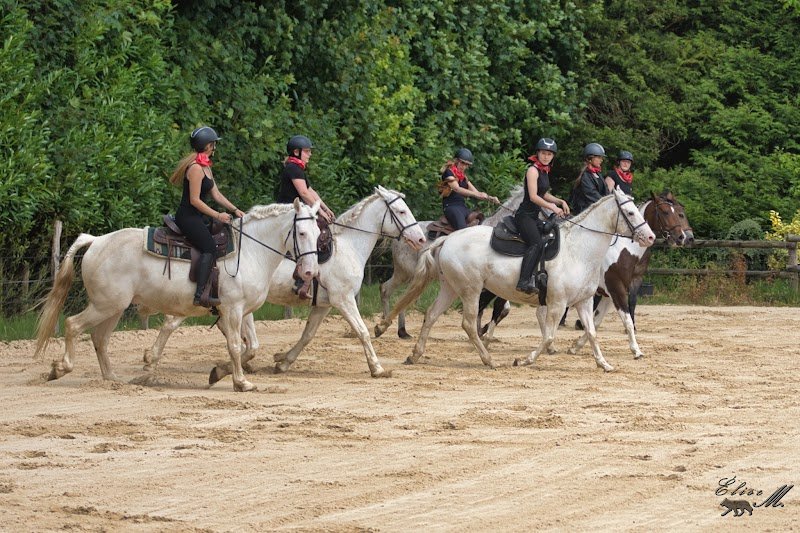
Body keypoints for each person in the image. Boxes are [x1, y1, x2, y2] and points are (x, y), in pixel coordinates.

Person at [169, 126, 245, 308]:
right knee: (209, 247)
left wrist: (235, 210)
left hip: (198, 216)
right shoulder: (195, 168)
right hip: (188, 217)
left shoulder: (205, 167)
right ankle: (200, 294)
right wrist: (218, 214)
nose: (214, 148)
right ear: (208, 145)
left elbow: (216, 195)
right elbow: (195, 201)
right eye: (213, 144)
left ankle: (215, 286)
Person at [514, 138, 570, 294]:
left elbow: (543, 194)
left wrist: (559, 201)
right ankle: (523, 281)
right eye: (544, 153)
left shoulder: (544, 171)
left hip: (533, 216)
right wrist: (552, 207)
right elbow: (533, 196)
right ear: (538, 153)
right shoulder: (532, 170)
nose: (546, 156)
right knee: (536, 243)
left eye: (549, 154)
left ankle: (538, 275)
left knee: (550, 235)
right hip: (524, 215)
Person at [276, 134, 335, 223]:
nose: (310, 154)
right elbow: (304, 193)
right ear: (296, 152)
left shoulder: (297, 168)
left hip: (296, 210)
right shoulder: (293, 168)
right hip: (288, 212)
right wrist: (320, 211)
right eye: (307, 151)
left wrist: (326, 209)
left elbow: (310, 191)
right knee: (320, 226)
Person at [438, 148, 499, 230]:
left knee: (480, 220)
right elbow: (456, 188)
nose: (464, 166)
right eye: (462, 163)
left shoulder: (463, 177)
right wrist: (475, 194)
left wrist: (490, 198)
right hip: (451, 207)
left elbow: (477, 193)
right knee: (463, 231)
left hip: (463, 208)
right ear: (456, 161)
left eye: (467, 164)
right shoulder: (448, 172)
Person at [569, 142, 609, 215]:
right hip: (585, 212)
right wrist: (606, 204)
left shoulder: (598, 174)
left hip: (596, 209)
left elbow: (606, 190)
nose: (601, 160)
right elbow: (592, 194)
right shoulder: (585, 176)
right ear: (590, 158)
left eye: (601, 157)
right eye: (599, 157)